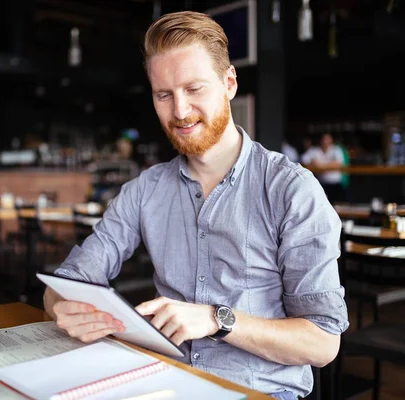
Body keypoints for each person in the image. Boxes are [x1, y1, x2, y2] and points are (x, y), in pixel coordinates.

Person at [44, 11, 348, 399]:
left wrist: (215, 319)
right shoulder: (145, 190)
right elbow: (67, 282)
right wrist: (61, 307)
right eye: (164, 95)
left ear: (229, 83)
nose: (180, 112)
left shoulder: (291, 189)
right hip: (164, 385)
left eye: (194, 89)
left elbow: (323, 344)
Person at [301, 133, 344, 203]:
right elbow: (303, 161)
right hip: (321, 183)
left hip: (335, 184)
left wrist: (321, 165)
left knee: (337, 206)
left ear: (331, 140)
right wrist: (314, 164)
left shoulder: (336, 149)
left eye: (327, 139)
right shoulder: (314, 150)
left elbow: (339, 164)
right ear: (320, 141)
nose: (325, 141)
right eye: (324, 139)